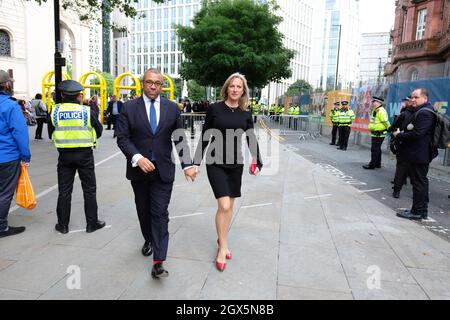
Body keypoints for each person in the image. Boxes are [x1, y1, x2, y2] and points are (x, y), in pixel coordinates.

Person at [115, 68, 197, 279]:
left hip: (163, 171)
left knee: (160, 213)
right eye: (149, 82)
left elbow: (179, 137)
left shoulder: (171, 108)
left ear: (162, 86)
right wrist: (137, 158)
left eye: (157, 83)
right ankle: (148, 238)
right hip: (139, 171)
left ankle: (159, 261)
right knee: (143, 211)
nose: (153, 86)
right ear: (143, 83)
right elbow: (123, 138)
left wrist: (187, 164)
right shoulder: (129, 108)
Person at [193, 72, 263, 272]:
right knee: (223, 204)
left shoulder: (245, 113)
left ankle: (222, 239)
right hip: (215, 162)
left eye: (238, 87)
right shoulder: (215, 108)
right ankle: (223, 247)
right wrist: (196, 162)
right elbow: (206, 136)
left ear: (243, 90)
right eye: (232, 86)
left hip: (236, 164)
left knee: (229, 206)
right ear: (227, 88)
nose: (234, 90)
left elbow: (251, 138)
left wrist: (258, 161)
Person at [48, 80, 105, 234]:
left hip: (64, 156)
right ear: (79, 96)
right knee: (89, 190)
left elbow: (50, 133)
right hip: (85, 155)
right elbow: (99, 130)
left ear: (62, 94)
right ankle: (91, 223)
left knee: (64, 191)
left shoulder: (54, 111)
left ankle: (63, 225)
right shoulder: (87, 112)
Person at [394, 88, 436, 220]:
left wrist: (400, 135)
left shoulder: (425, 113)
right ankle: (421, 210)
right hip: (417, 153)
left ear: (425, 98)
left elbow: (418, 134)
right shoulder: (422, 110)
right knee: (420, 182)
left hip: (419, 154)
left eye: (416, 97)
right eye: (412, 97)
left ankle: (417, 211)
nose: (413, 100)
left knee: (418, 182)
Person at [0, 70, 31, 238]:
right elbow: (20, 133)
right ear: (7, 85)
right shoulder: (11, 105)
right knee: (5, 193)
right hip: (7, 157)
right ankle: (2, 227)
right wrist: (25, 156)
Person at [389, 96, 414, 198]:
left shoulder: (404, 113)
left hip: (404, 143)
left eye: (406, 101)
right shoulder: (420, 113)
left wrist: (394, 133)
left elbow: (394, 126)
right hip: (414, 145)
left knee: (401, 168)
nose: (404, 103)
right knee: (415, 170)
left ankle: (397, 190)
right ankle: (416, 193)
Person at [363, 96, 390, 169]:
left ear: (378, 102)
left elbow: (385, 122)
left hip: (379, 133)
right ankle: (377, 163)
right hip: (376, 133)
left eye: (373, 101)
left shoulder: (380, 111)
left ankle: (372, 165)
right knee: (377, 149)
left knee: (375, 149)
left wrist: (389, 129)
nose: (372, 103)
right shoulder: (376, 110)